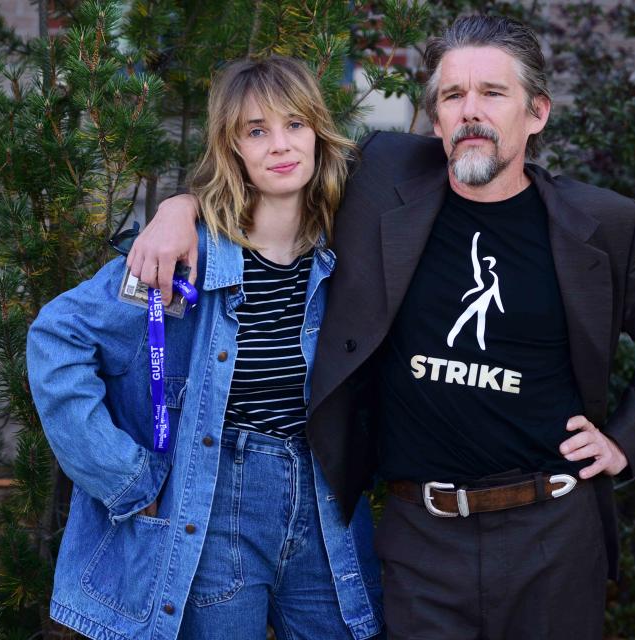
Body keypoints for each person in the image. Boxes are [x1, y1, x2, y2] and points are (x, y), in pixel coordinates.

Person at [130, 15, 635, 640]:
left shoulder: (603, 224)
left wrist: (626, 439)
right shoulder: (383, 180)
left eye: (492, 93)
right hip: (420, 541)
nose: (470, 112)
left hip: (553, 536)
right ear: (435, 119)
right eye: (452, 96)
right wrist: (179, 208)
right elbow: (275, 167)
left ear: (537, 112)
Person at [26, 56, 383, 640]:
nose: (280, 146)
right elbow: (57, 337)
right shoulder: (181, 257)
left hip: (326, 503)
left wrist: (178, 202)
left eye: (295, 124)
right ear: (233, 148)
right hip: (217, 504)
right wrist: (124, 477)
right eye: (256, 131)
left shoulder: (348, 246)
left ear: (319, 131)